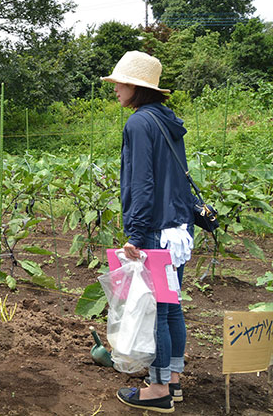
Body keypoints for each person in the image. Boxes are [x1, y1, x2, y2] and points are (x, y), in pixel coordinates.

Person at [103, 51, 191, 413]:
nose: (117, 90)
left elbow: (142, 183)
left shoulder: (140, 123)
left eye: (121, 83)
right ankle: (173, 379)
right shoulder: (166, 120)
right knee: (171, 309)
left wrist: (136, 235)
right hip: (178, 230)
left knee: (155, 311)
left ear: (136, 88)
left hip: (154, 230)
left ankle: (157, 390)